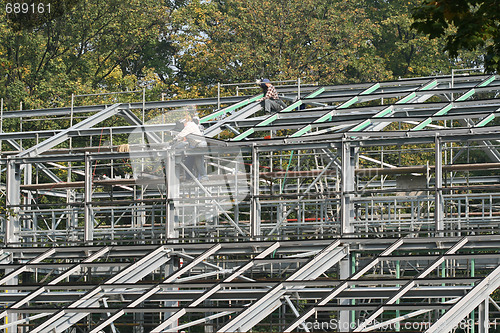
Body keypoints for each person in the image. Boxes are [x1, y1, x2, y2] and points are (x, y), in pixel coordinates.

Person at [175, 115, 208, 181]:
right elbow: (184, 140)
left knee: (199, 161)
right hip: (198, 145)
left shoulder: (189, 126)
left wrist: (174, 140)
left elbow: (181, 135)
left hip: (199, 144)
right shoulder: (190, 126)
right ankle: (201, 177)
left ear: (183, 124)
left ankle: (203, 177)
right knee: (197, 161)